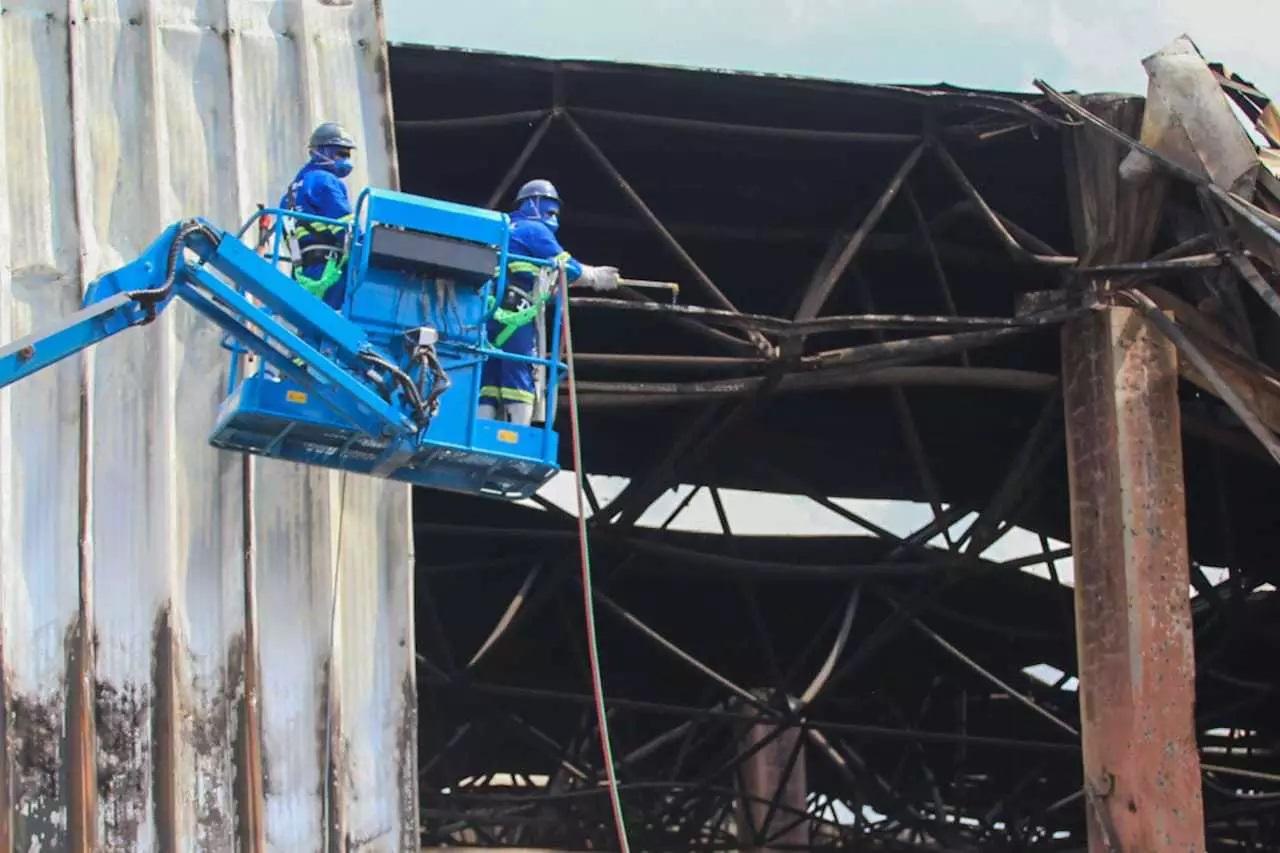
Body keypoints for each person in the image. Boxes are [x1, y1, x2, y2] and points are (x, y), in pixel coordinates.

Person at [480, 179, 619, 425]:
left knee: (489, 371)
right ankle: (516, 435)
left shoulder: (503, 229)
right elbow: (566, 266)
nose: (553, 212)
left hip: (488, 312)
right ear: (533, 203)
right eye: (550, 205)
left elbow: (547, 273)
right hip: (516, 312)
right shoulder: (534, 230)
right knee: (519, 369)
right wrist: (595, 276)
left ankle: (482, 426)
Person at [281, 121, 357, 311]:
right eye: (340, 153)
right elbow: (347, 227)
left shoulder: (290, 192)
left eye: (347, 154)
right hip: (328, 271)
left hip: (302, 273)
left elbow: (288, 237)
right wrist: (371, 249)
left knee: (312, 330)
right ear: (319, 151)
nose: (345, 159)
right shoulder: (324, 180)